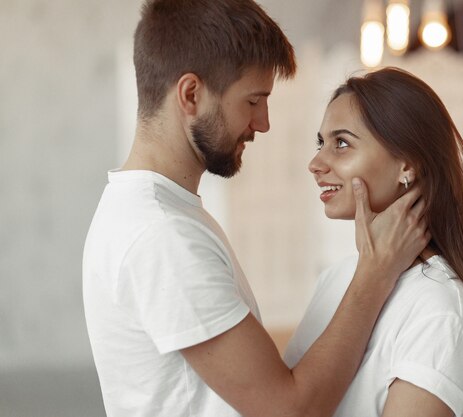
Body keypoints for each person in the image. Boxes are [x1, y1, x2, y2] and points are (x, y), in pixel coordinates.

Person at [82, 1, 430, 417]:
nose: (263, 122)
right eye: (253, 101)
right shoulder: (161, 235)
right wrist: (376, 273)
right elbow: (290, 410)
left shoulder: (156, 214)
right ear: (191, 94)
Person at [284, 67, 463, 417]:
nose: (315, 163)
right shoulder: (337, 278)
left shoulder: (437, 306)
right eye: (321, 143)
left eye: (342, 143)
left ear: (407, 165)